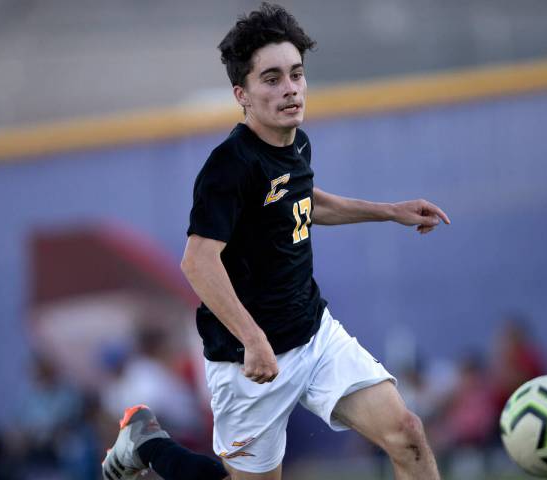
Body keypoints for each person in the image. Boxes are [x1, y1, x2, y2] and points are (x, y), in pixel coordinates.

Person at [102, 3, 450, 480]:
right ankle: (148, 444)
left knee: (406, 432)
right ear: (241, 94)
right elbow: (198, 262)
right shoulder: (229, 166)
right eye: (271, 78)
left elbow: (306, 200)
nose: (289, 88)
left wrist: (389, 212)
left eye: (296, 74)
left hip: (313, 333)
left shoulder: (296, 142)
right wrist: (254, 339)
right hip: (248, 360)